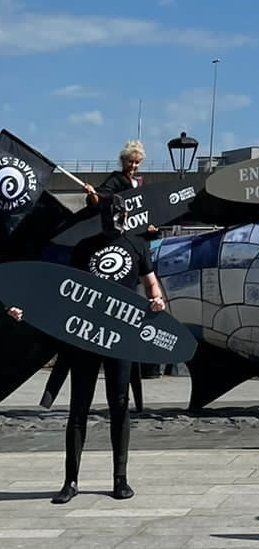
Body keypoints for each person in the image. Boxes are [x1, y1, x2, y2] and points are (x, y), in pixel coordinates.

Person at [6, 195, 167, 503]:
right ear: (101, 215)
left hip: (121, 337)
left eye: (117, 213)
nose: (113, 218)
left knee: (119, 404)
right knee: (79, 406)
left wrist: (157, 301)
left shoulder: (137, 247)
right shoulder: (84, 248)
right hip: (86, 337)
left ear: (126, 214)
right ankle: (71, 480)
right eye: (108, 213)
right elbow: (64, 292)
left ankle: (120, 479)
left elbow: (151, 286)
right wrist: (28, 308)